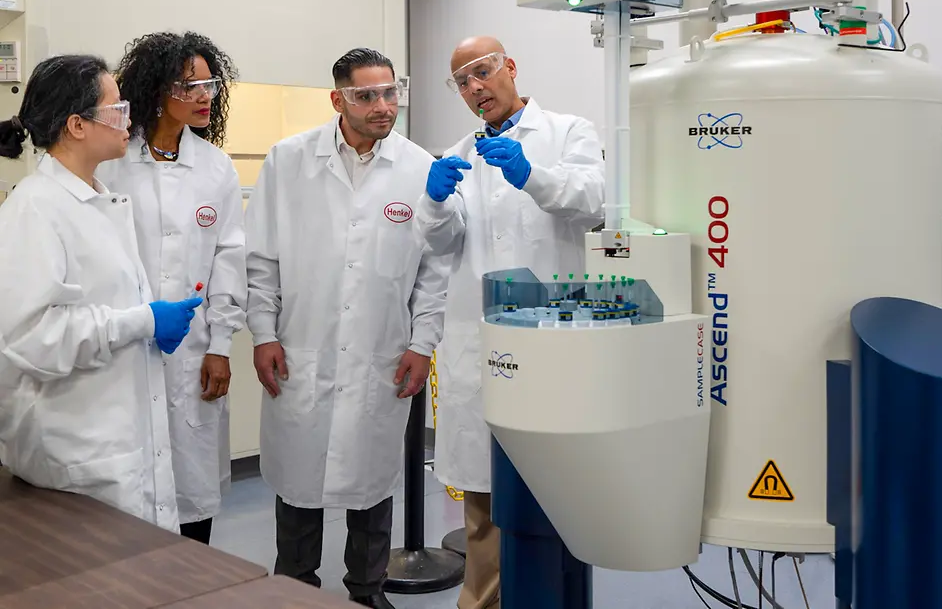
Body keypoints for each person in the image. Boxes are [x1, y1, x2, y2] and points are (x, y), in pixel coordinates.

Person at [245, 47, 449, 608]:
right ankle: (294, 588)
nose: (383, 106)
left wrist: (422, 344)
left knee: (371, 481)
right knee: (298, 480)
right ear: (338, 100)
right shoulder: (288, 161)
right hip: (301, 346)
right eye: (367, 96)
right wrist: (262, 333)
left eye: (391, 93)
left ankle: (367, 591)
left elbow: (434, 271)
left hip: (382, 351)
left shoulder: (417, 168)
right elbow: (261, 259)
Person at [415, 36, 606, 609]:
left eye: (482, 72)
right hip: (481, 344)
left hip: (552, 345)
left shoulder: (569, 132)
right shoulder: (457, 151)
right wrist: (434, 203)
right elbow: (446, 244)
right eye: (462, 82)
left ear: (510, 68)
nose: (475, 88)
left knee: (557, 498)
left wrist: (531, 175)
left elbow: (593, 200)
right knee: (484, 508)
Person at [0, 54, 203, 530]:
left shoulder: (98, 201)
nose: (127, 117)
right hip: (79, 456)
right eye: (115, 108)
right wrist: (143, 321)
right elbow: (32, 337)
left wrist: (145, 325)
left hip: (116, 443)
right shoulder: (36, 210)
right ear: (77, 125)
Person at [96, 32, 246, 546]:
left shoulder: (216, 167)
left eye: (210, 83)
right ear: (157, 89)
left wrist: (222, 346)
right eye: (191, 85)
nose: (206, 95)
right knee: (129, 485)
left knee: (192, 481)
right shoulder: (111, 161)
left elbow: (229, 258)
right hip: (124, 345)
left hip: (194, 349)